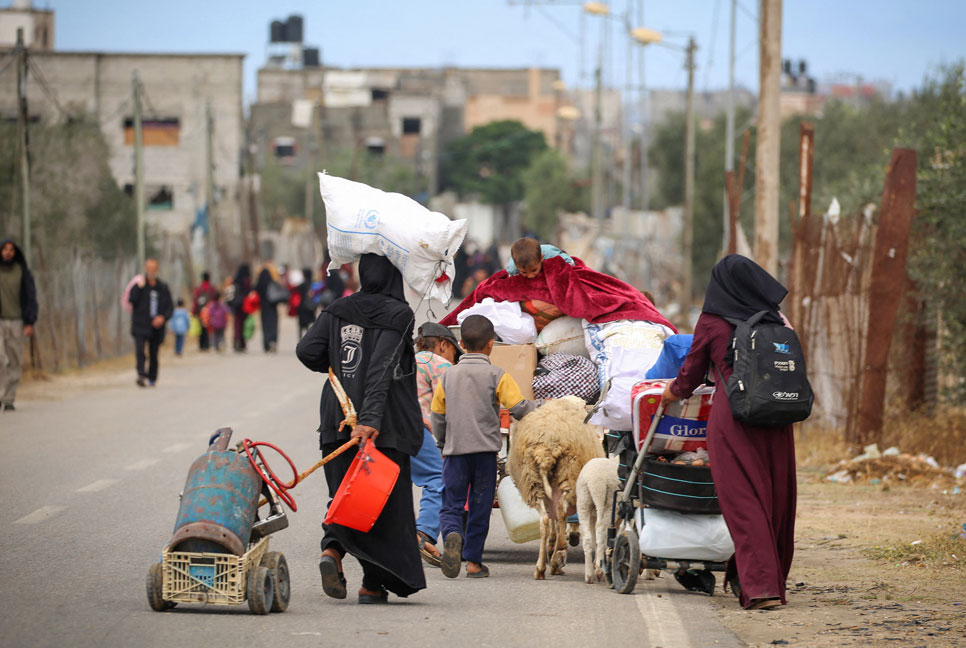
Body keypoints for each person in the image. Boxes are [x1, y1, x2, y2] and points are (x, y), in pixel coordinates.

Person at [661, 254, 797, 611]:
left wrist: (669, 392)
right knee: (775, 500)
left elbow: (690, 375)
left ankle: (762, 588)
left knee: (743, 502)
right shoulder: (776, 318)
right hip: (778, 420)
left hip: (734, 421)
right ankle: (764, 578)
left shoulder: (712, 320)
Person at [296, 253, 426, 604]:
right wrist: (369, 421)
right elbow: (382, 367)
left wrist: (338, 358)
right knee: (380, 504)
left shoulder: (340, 308)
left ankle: (332, 553)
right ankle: (371, 585)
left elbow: (307, 351)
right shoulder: (398, 315)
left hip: (337, 416)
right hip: (380, 425)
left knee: (345, 495)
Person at [431, 315, 541, 578]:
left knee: (451, 503)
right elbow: (519, 408)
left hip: (455, 453)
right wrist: (545, 406)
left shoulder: (448, 376)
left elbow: (437, 414)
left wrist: (443, 442)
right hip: (485, 455)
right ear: (491, 344)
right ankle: (473, 563)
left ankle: (452, 535)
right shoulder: (497, 375)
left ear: (460, 343)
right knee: (480, 506)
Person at [411, 322, 463, 566]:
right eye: (454, 351)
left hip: (390, 430)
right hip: (420, 431)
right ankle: (423, 534)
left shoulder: (406, 360)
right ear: (443, 344)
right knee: (438, 479)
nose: (454, 358)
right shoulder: (440, 365)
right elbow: (448, 407)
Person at [0, 239, 38, 412]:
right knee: (1, 358)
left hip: (17, 321)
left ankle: (9, 398)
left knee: (14, 360)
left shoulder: (21, 272)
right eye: (5, 249)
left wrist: (30, 321)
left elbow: (31, 297)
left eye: (11, 250)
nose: (8, 252)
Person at [129, 258, 173, 387]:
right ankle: (141, 374)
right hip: (140, 324)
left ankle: (152, 377)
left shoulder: (163, 288)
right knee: (140, 350)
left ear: (157, 269)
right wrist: (139, 288)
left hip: (156, 326)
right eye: (148, 268)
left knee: (154, 352)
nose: (151, 271)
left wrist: (163, 318)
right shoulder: (139, 285)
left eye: (153, 268)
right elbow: (132, 301)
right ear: (145, 268)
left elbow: (169, 307)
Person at [506, 238, 574, 279]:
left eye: (534, 270)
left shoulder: (552, 255)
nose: (530, 276)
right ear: (517, 266)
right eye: (524, 272)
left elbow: (571, 262)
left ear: (541, 258)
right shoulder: (512, 268)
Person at [255, 262, 281, 352]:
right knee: (273, 325)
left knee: (265, 326)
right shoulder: (272, 283)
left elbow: (255, 292)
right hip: (273, 308)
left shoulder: (259, 284)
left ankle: (267, 344)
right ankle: (273, 341)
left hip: (264, 308)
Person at [192, 271, 217, 351]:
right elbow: (214, 299)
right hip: (209, 310)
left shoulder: (198, 288)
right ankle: (207, 345)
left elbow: (195, 300)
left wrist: (194, 311)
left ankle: (201, 345)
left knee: (201, 327)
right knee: (208, 327)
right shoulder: (212, 288)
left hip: (200, 310)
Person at [230, 264, 251, 352]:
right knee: (242, 325)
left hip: (236, 305)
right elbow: (249, 291)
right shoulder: (246, 280)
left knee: (236, 324)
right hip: (244, 305)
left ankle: (236, 342)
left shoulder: (235, 280)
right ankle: (242, 343)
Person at [296, 266, 317, 339]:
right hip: (311, 307)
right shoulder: (314, 284)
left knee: (301, 325)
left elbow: (296, 291)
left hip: (302, 307)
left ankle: (301, 339)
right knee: (310, 324)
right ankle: (310, 338)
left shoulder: (302, 285)